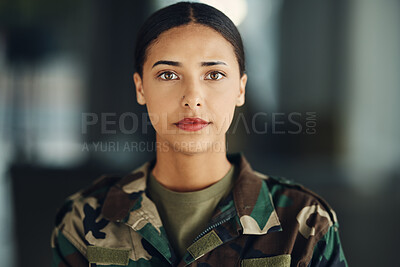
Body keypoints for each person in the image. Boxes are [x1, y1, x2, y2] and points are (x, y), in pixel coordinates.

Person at [51, 2, 348, 266]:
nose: (192, 97)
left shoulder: (304, 222)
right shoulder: (83, 218)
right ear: (141, 88)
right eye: (168, 74)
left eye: (214, 75)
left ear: (240, 88)